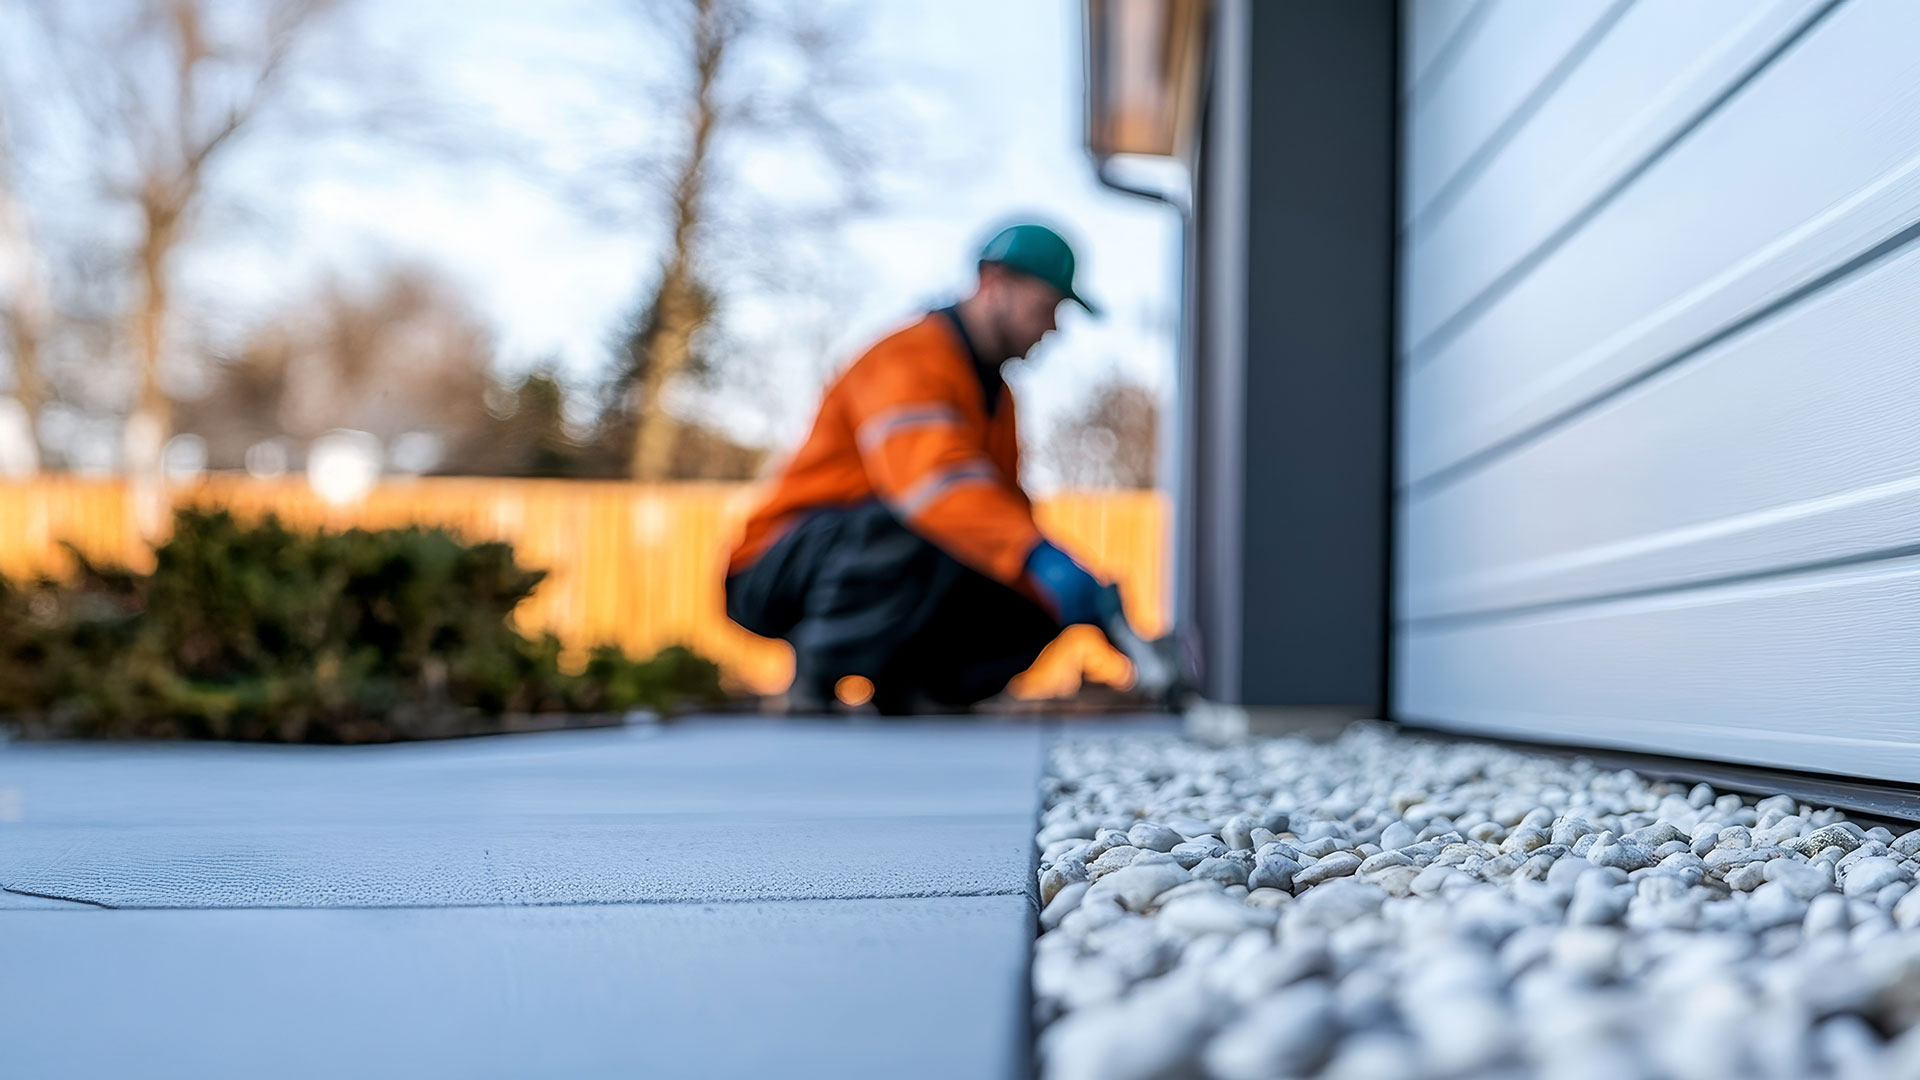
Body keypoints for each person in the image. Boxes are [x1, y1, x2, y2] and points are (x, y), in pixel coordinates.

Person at [724, 223, 1122, 714]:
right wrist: (1035, 555)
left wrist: (1071, 591)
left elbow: (1000, 515)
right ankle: (816, 676)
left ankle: (916, 689)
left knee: (1028, 593)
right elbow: (932, 486)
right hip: (776, 566)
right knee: (924, 516)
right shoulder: (908, 357)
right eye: (1047, 309)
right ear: (996, 286)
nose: (1053, 328)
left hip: (877, 552)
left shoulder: (997, 398)